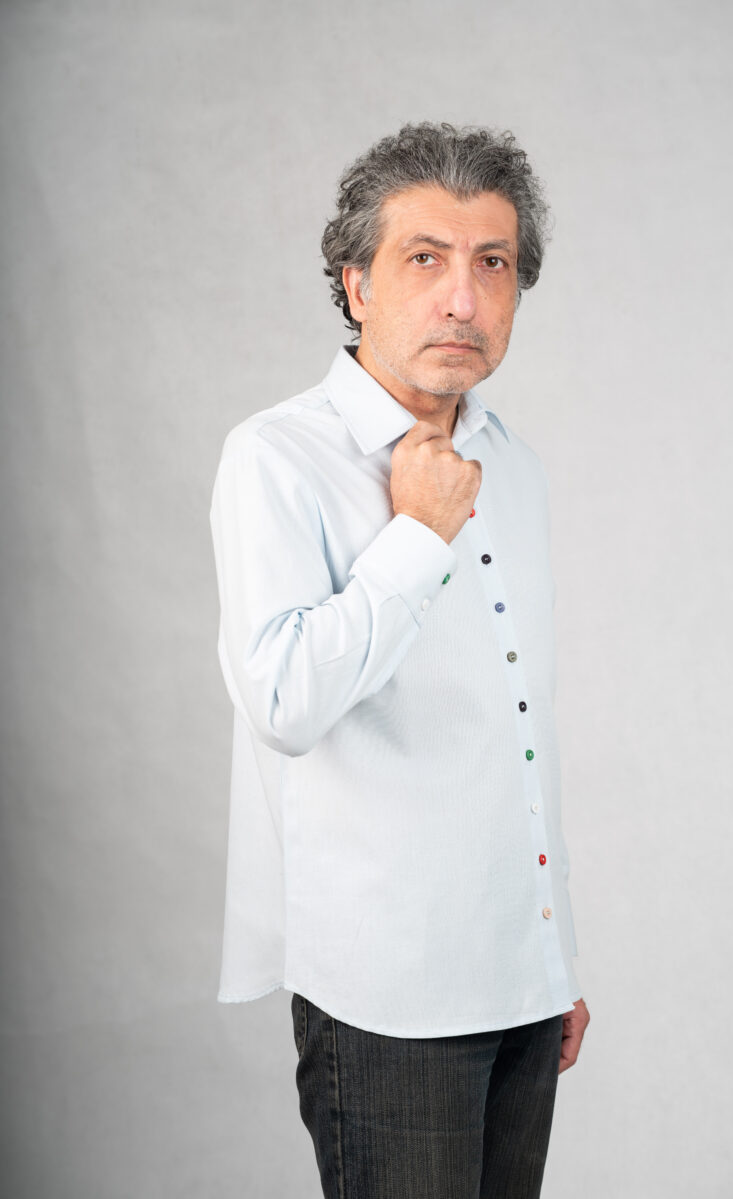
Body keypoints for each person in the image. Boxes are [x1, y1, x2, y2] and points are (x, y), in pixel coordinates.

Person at [209, 120, 590, 1198]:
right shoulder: (276, 458)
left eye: (492, 263)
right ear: (357, 283)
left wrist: (554, 957)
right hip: (387, 999)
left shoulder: (512, 464)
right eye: (425, 258)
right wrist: (416, 534)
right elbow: (283, 701)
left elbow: (517, 728)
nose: (462, 298)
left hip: (520, 984)